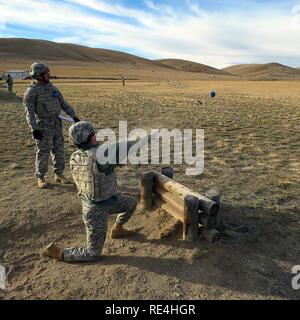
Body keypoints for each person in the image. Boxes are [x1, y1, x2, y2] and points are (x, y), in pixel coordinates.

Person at [42, 121, 137, 262]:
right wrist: (138, 141)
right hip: (95, 211)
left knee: (131, 203)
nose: (96, 135)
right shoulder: (99, 156)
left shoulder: (76, 156)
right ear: (87, 138)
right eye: (93, 133)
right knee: (92, 252)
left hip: (108, 201)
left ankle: (118, 229)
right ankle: (58, 252)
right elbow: (120, 148)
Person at [23, 62, 80, 189]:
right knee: (43, 151)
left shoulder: (53, 88)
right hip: (43, 125)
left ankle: (59, 174)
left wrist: (73, 116)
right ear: (39, 75)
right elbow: (29, 113)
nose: (49, 74)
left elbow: (63, 103)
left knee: (59, 149)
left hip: (56, 123)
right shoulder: (31, 92)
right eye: (46, 73)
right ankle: (40, 177)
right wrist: (34, 129)